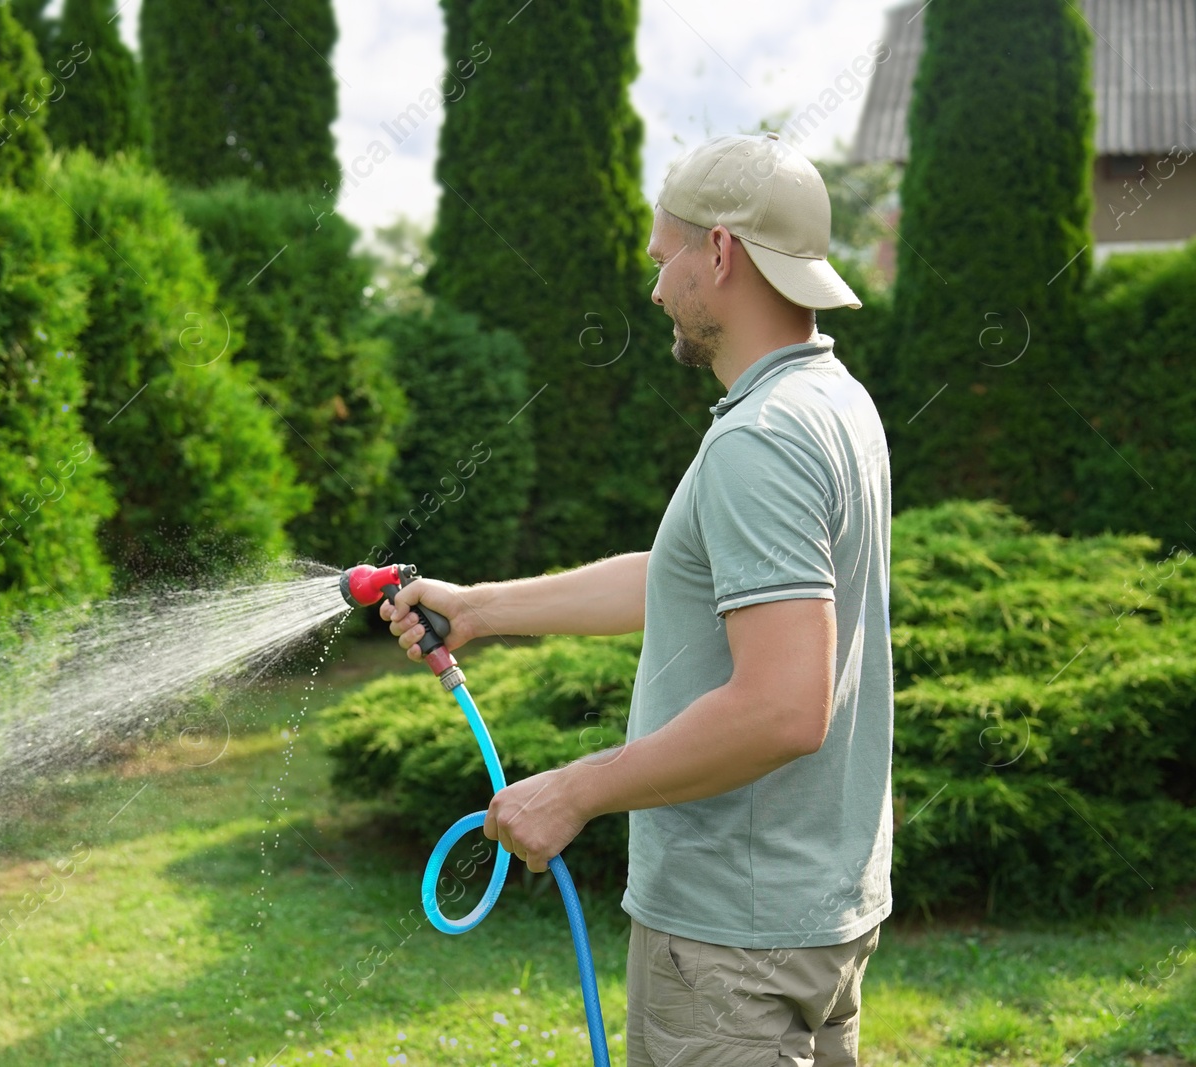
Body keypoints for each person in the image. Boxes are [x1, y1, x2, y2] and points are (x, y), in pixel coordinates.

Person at [381, 131, 894, 1067]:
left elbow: (783, 709)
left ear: (722, 253)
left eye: (666, 260)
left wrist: (574, 790)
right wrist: (484, 607)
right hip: (816, 908)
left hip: (730, 940)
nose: (657, 289)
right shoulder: (831, 400)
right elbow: (683, 573)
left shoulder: (761, 441)